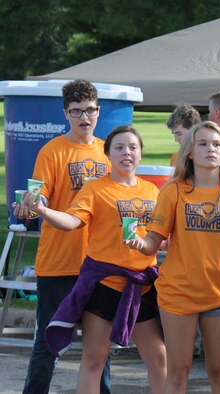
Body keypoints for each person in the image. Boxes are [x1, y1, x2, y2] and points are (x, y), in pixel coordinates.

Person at [24, 126, 167, 393]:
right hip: (104, 285)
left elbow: (162, 235)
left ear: (140, 154)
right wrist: (43, 210)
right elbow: (72, 220)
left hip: (142, 286)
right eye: (120, 148)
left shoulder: (152, 192)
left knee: (159, 359)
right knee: (94, 360)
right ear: (108, 155)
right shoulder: (96, 189)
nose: (127, 153)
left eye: (133, 148)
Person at [126, 121, 220, 393]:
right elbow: (153, 242)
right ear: (189, 152)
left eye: (217, 144)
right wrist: (139, 243)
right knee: (177, 373)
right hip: (178, 294)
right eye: (203, 143)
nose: (211, 149)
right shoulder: (173, 191)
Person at [13, 79, 112, 394]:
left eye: (90, 110)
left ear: (99, 110)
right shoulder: (52, 151)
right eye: (77, 111)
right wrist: (28, 207)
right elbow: (35, 199)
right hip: (59, 265)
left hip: (100, 265)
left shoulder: (109, 151)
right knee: (47, 345)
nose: (85, 117)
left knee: (99, 350)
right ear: (65, 113)